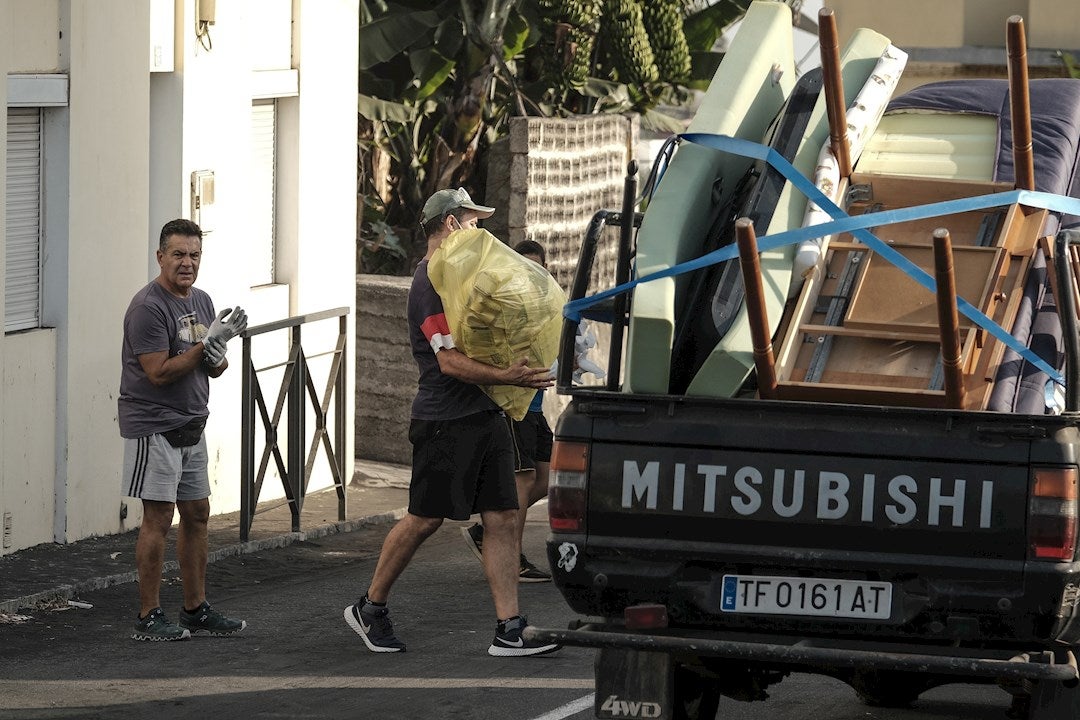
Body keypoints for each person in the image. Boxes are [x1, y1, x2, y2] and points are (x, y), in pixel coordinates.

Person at [342, 188, 561, 657]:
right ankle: (370, 606)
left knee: (503, 517)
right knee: (425, 519)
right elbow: (449, 362)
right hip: (445, 420)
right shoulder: (429, 283)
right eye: (472, 221)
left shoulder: (468, 279)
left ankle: (509, 628)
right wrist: (508, 376)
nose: (479, 230)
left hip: (487, 414)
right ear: (450, 224)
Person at [118, 218, 248, 642]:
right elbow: (158, 372)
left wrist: (219, 345)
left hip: (193, 424)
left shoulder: (204, 300)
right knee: (158, 518)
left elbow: (215, 367)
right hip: (154, 426)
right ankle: (148, 616)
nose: (187, 263)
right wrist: (203, 346)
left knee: (198, 514)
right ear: (161, 257)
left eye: (194, 255)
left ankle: (195, 609)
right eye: (178, 254)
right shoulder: (147, 308)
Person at [461, 239, 554, 583]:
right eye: (523, 267)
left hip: (537, 405)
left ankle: (489, 532)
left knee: (548, 478)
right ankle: (512, 559)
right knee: (524, 479)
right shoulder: (502, 306)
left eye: (536, 267)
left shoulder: (547, 304)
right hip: (513, 405)